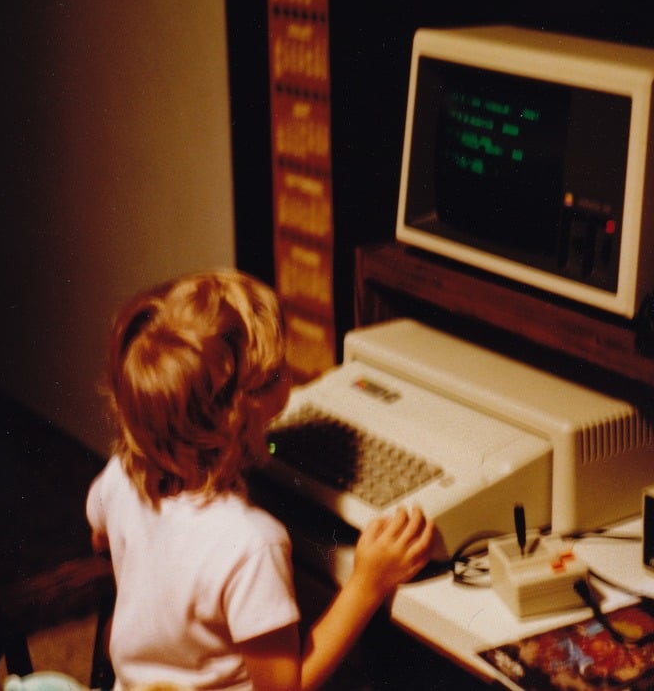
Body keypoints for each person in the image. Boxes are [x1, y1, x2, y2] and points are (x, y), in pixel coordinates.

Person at [86, 270, 434, 690]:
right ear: (240, 420)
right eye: (275, 374)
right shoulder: (252, 543)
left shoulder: (120, 476)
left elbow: (99, 537)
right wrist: (367, 583)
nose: (288, 375)